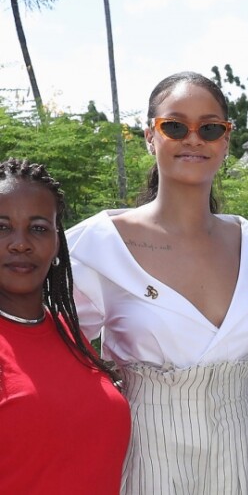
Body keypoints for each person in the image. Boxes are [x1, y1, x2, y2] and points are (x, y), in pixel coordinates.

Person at [66, 71, 248, 495]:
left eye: (209, 128)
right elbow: (51, 359)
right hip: (145, 457)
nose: (193, 139)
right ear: (150, 135)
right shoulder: (97, 245)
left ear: (226, 139)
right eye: (175, 126)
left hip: (242, 459)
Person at [0, 157, 130, 495]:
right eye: (2, 227)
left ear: (58, 243)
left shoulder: (68, 333)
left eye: (39, 228)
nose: (20, 243)